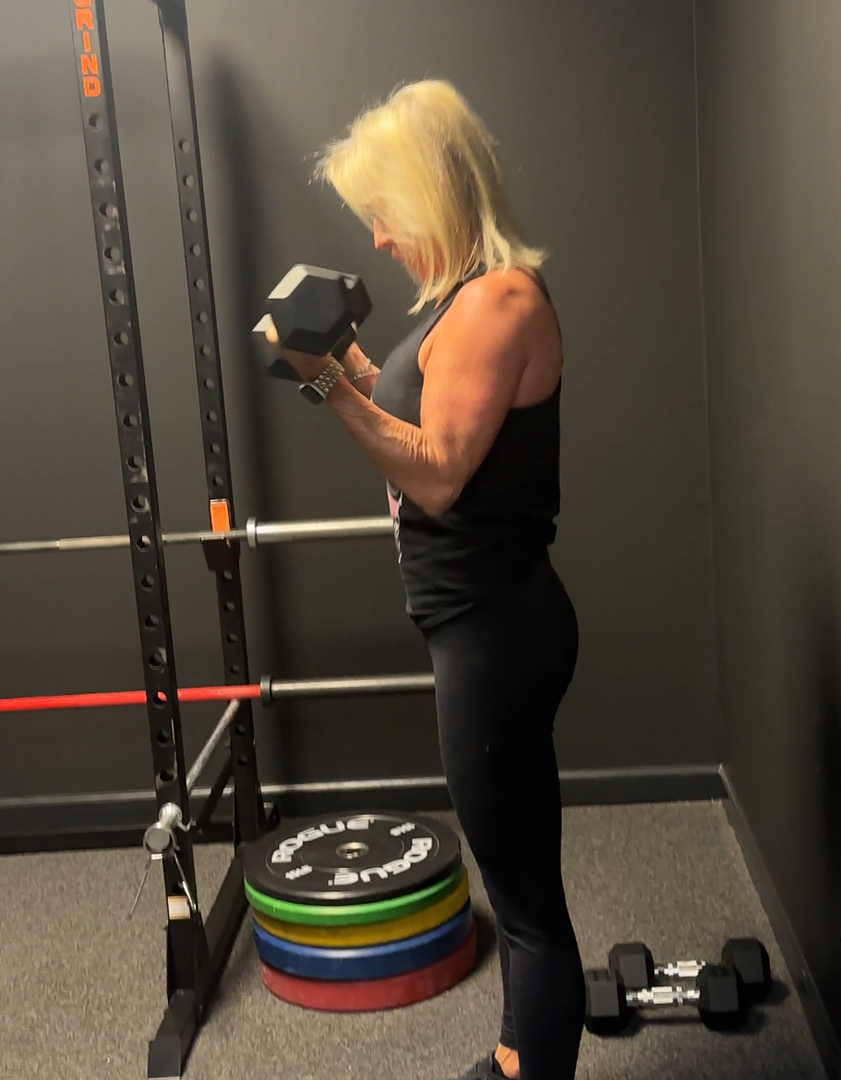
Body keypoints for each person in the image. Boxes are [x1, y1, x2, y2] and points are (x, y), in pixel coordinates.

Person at [271, 79, 582, 1080]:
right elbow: (416, 420)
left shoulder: (500, 303)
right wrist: (343, 360)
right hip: (474, 627)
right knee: (519, 876)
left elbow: (439, 474)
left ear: (430, 193)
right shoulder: (454, 307)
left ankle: (523, 1066)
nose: (377, 236)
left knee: (525, 902)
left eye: (382, 211)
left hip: (496, 632)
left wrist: (323, 383)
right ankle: (512, 1056)